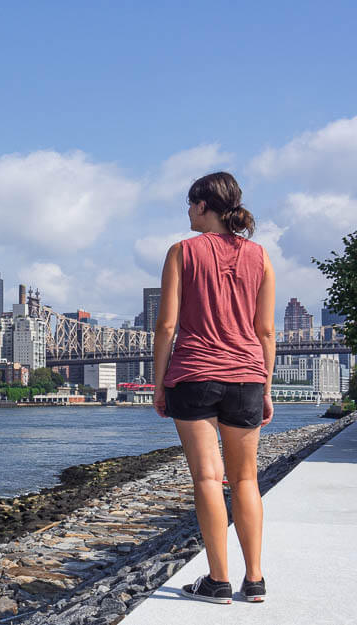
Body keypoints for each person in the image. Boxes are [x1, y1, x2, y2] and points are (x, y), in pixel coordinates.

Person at [153, 171, 275, 604]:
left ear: (205, 206)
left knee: (207, 477)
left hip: (194, 374)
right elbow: (265, 332)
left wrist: (159, 383)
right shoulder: (260, 257)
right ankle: (255, 579)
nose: (187, 212)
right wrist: (266, 387)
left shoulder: (181, 252)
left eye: (190, 204)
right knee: (246, 479)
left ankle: (218, 581)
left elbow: (167, 325)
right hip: (247, 375)